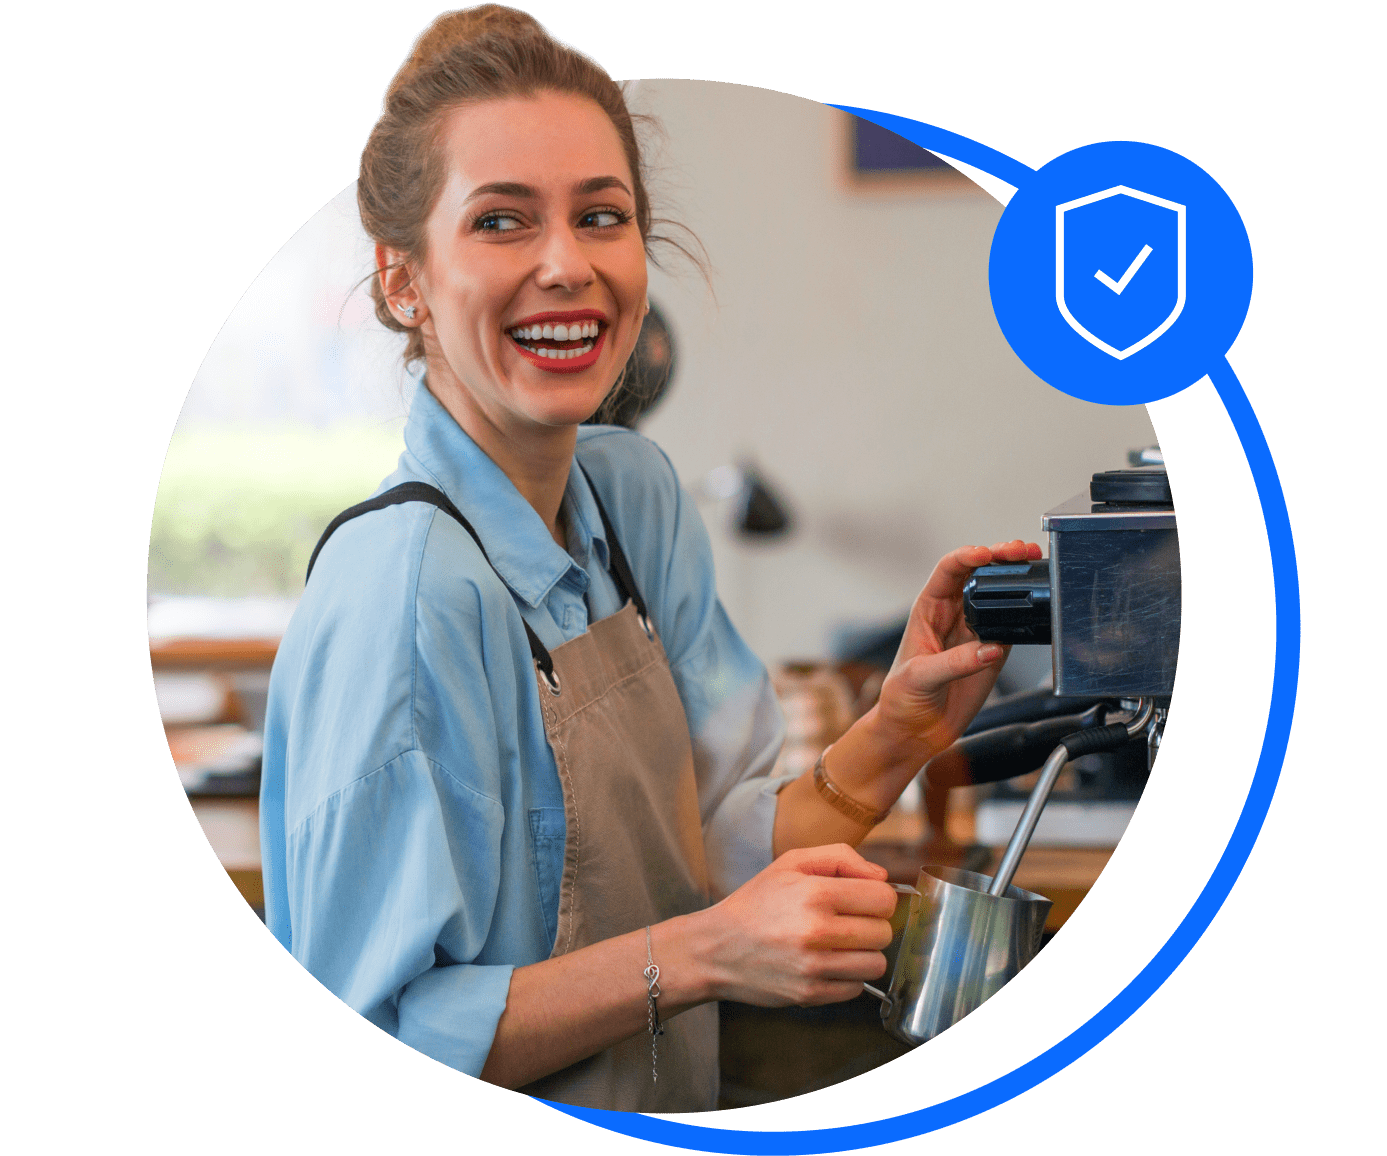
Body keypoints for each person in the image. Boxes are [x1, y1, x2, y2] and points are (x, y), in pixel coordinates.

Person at [259, 5, 1042, 1113]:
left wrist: (902, 729)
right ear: (404, 282)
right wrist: (706, 956)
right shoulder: (405, 595)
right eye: (500, 222)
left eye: (602, 215)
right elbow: (375, 1040)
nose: (566, 265)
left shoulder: (630, 499)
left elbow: (716, 848)